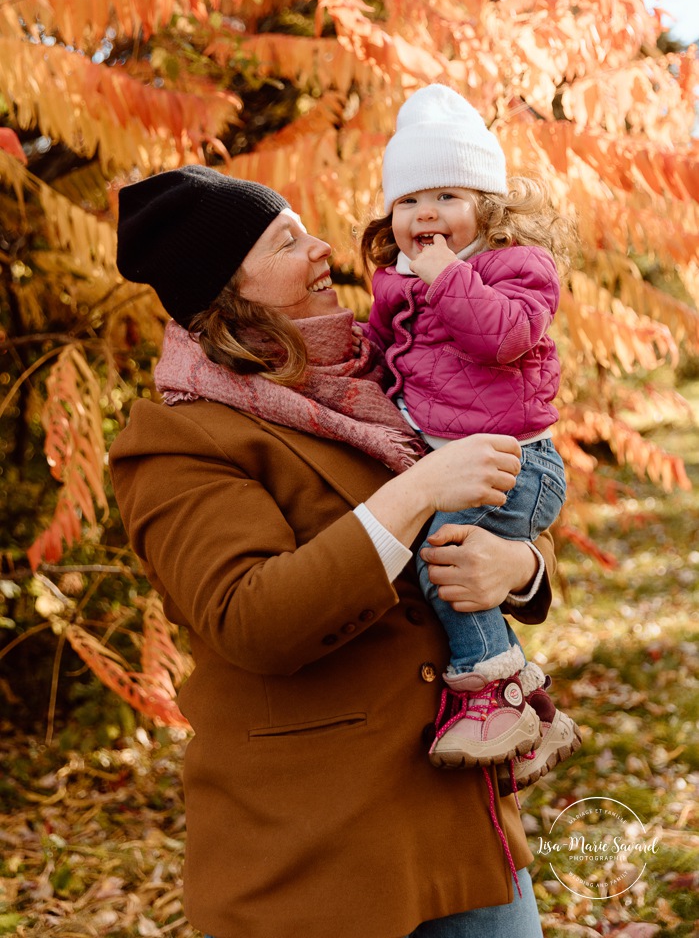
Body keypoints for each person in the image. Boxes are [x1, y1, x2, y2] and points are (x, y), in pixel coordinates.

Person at [110, 164, 557, 938]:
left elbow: (496, 503)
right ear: (228, 291)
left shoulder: (377, 376)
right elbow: (250, 618)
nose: (322, 248)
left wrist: (521, 568)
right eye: (286, 240)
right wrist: (414, 493)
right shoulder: (177, 438)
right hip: (322, 856)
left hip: (464, 832)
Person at [361, 84, 581, 789]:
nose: (424, 214)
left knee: (444, 558)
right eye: (407, 202)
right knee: (447, 562)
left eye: (446, 198)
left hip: (521, 462)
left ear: (488, 207)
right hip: (459, 461)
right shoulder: (394, 283)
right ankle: (535, 713)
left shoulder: (516, 268)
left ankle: (491, 692)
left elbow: (505, 338)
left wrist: (448, 277)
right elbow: (379, 360)